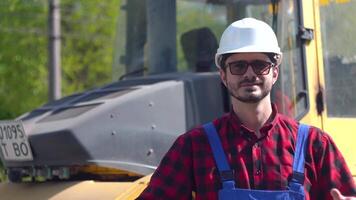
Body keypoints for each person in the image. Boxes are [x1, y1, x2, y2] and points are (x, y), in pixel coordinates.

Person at [137, 18, 356, 200]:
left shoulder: (315, 145)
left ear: (275, 73)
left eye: (260, 65)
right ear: (223, 75)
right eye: (238, 66)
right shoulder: (194, 147)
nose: (249, 74)